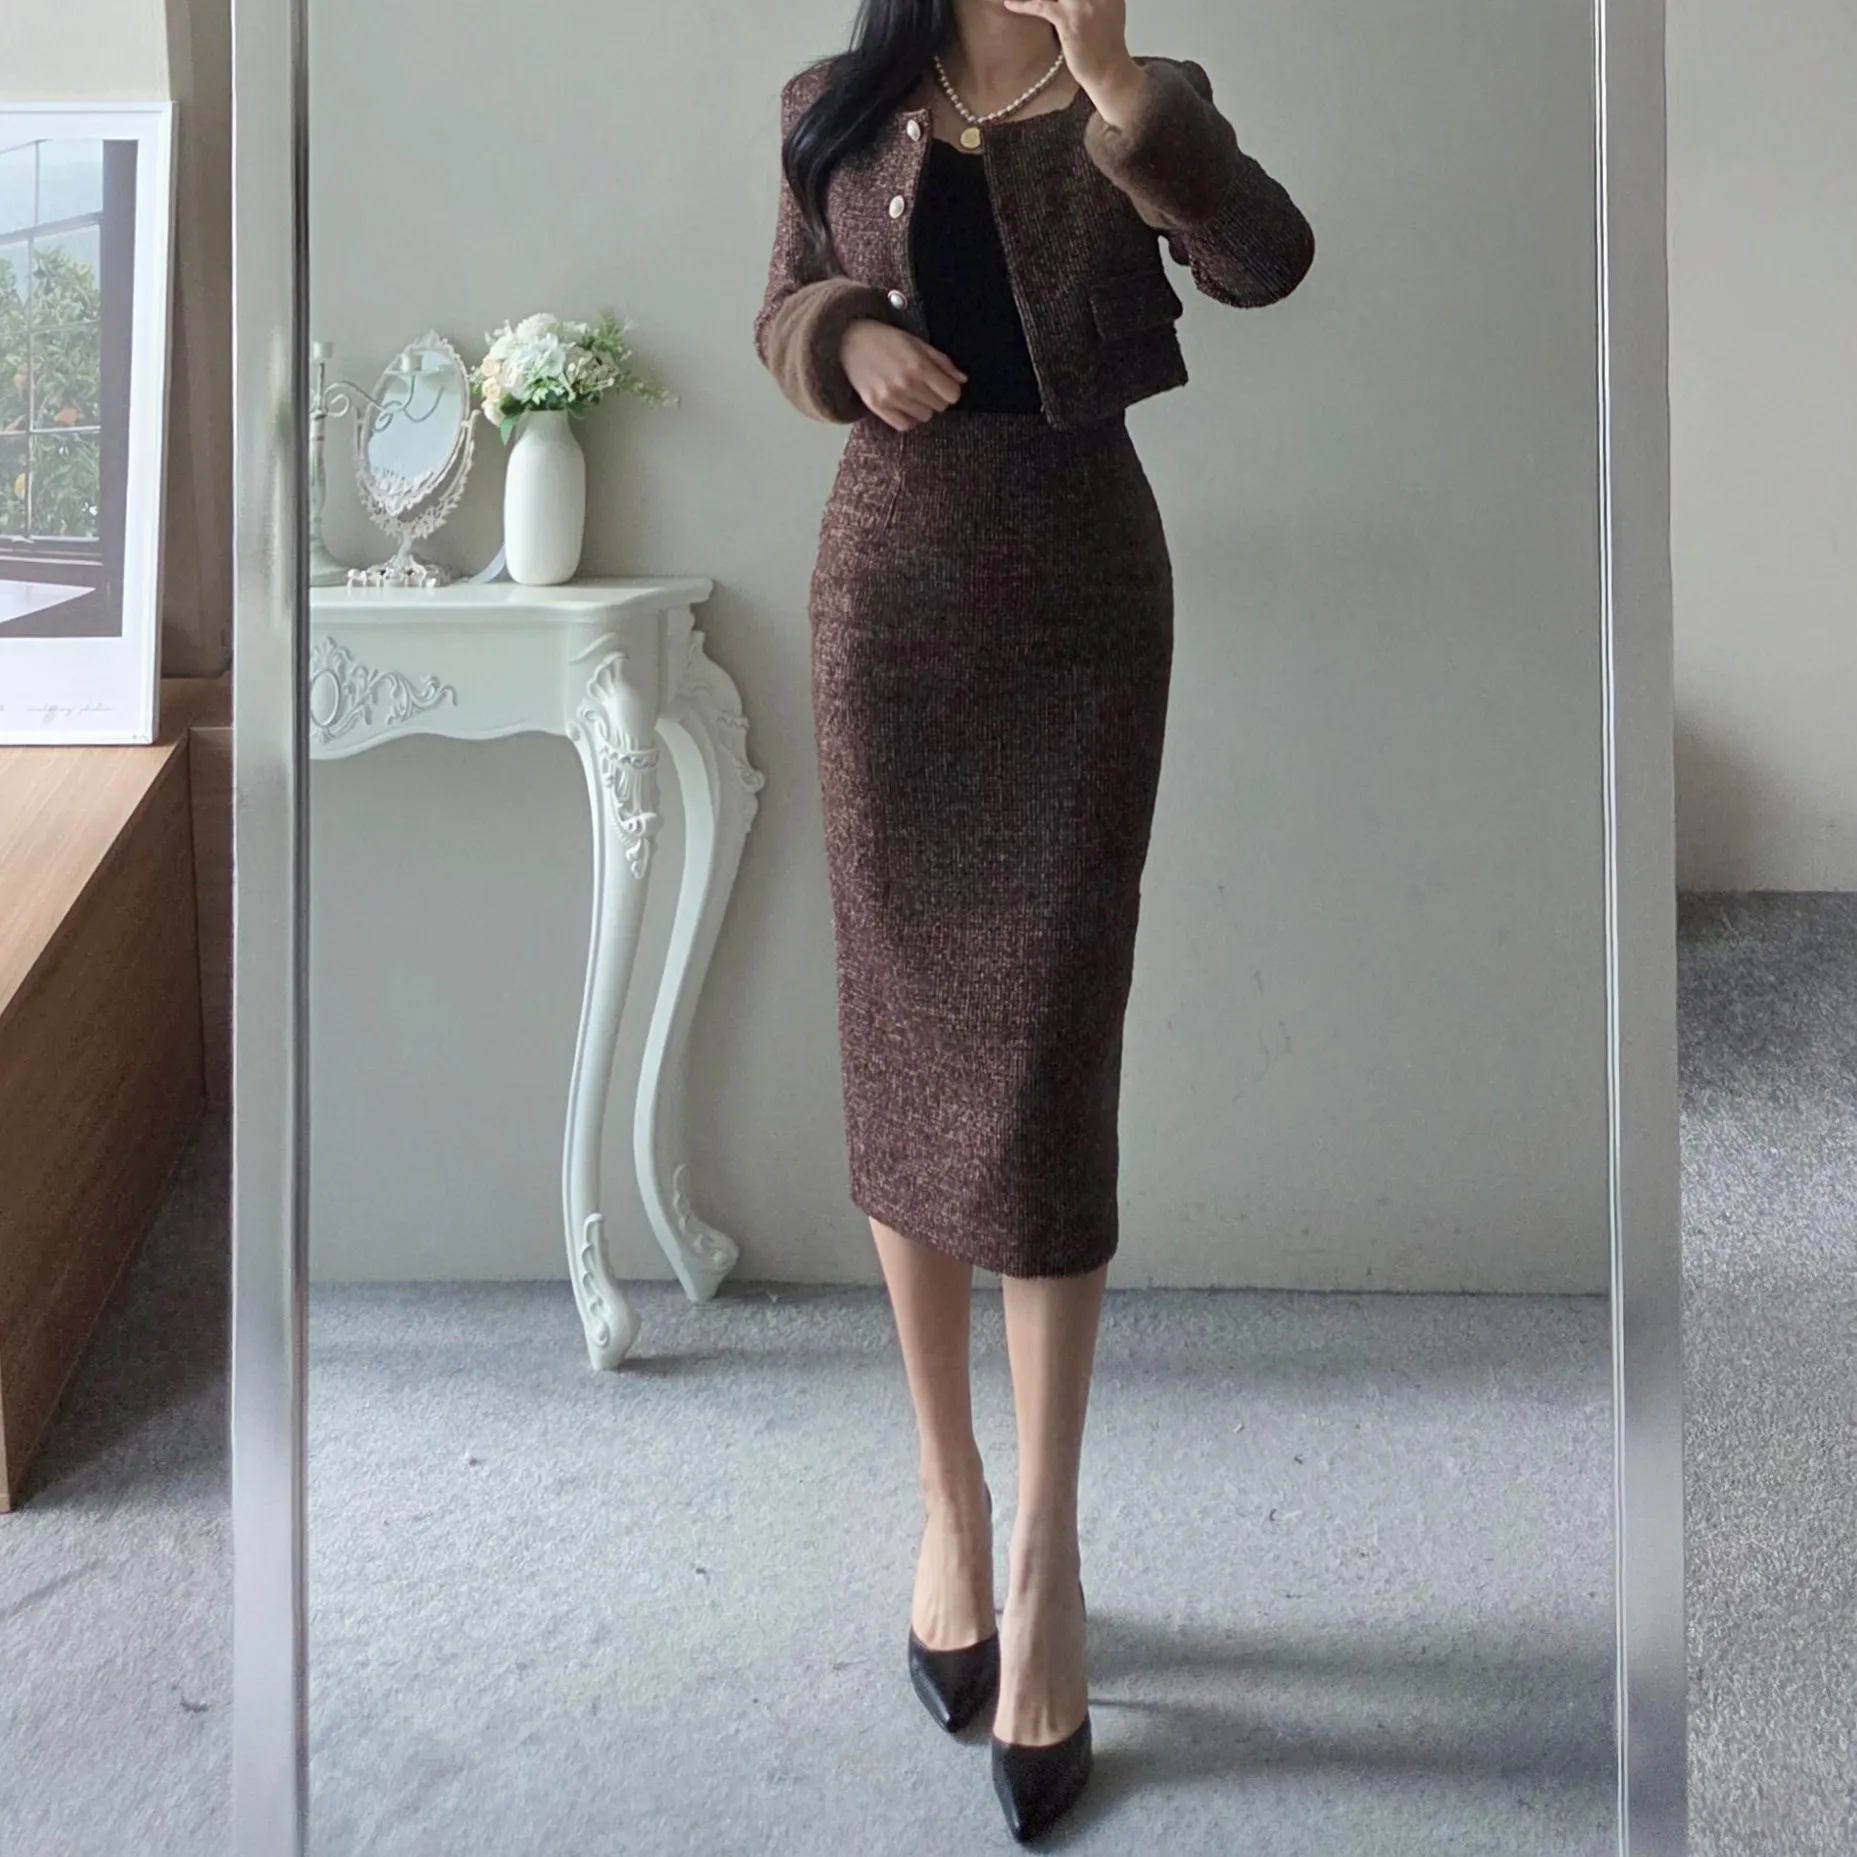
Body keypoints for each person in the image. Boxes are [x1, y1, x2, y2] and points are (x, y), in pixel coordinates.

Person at [754, 0, 1311, 1839]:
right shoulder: (836, 104)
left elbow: (1265, 261)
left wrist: (1123, 86)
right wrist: (842, 338)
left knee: (1049, 1065)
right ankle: (950, 1503)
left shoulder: (1140, 102)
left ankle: (1048, 1554)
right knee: (908, 1043)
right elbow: (776, 310)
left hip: (1079, 605)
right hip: (889, 607)